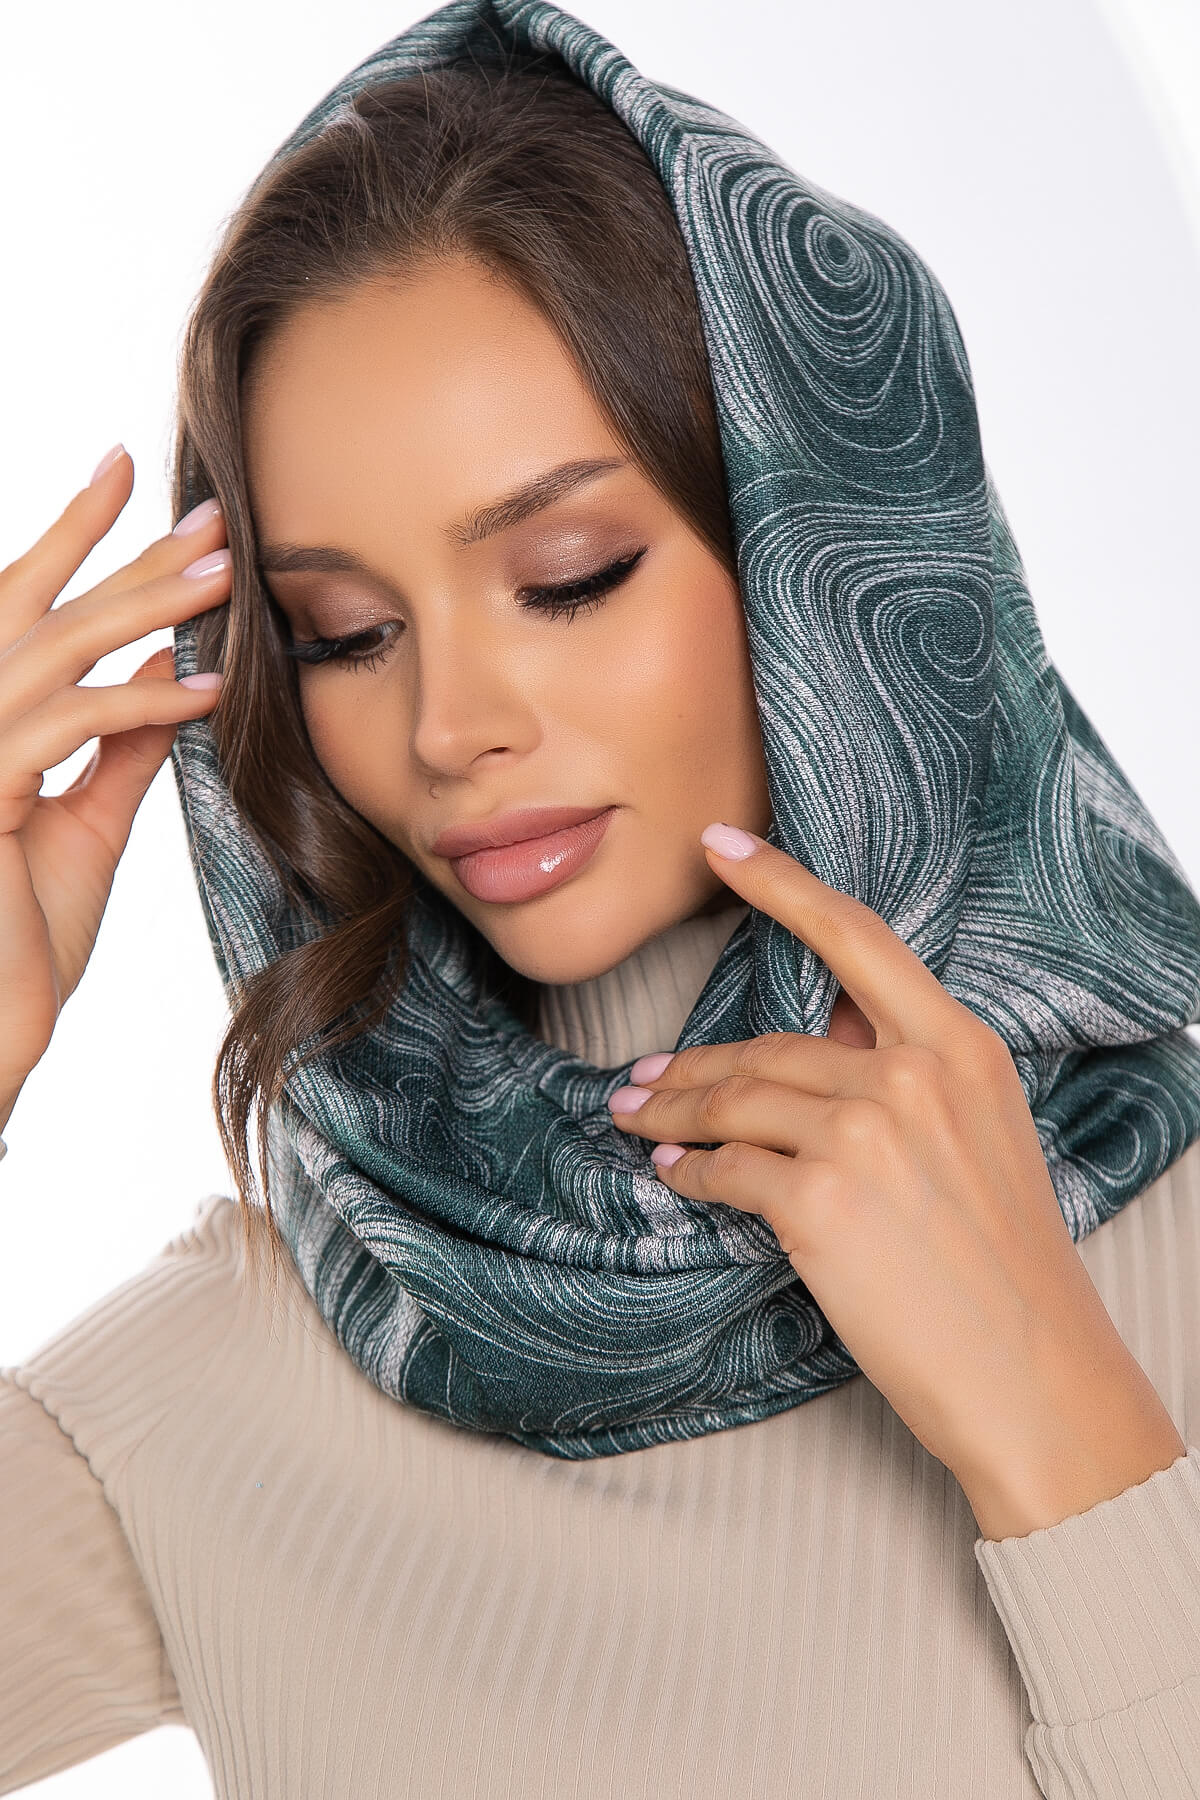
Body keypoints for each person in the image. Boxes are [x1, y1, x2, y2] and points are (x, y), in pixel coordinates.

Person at [4, 4, 1200, 1795]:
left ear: (822, 543)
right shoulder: (235, 1375)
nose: (448, 728)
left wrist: (1067, 1431)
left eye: (567, 575)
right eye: (345, 633)